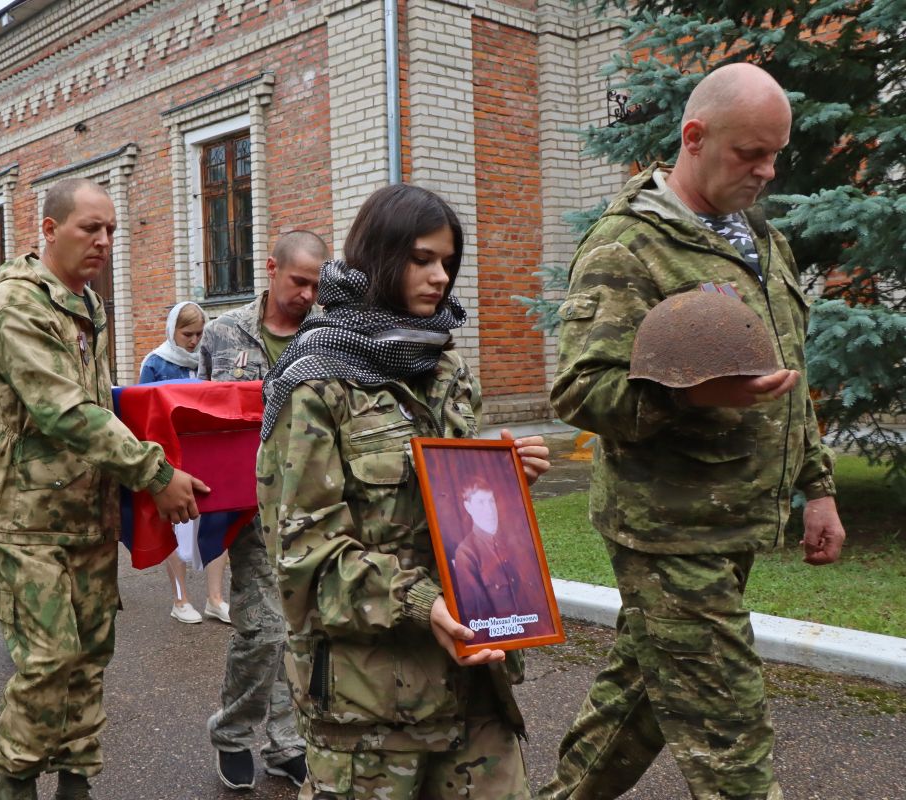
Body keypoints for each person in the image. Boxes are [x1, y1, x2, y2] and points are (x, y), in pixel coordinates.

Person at [538, 63, 845, 800]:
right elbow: (581, 390)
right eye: (751, 154)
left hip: (735, 524)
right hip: (669, 534)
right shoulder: (628, 246)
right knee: (731, 747)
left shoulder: (760, 243)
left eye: (776, 154)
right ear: (694, 137)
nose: (767, 172)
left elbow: (789, 374)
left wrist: (818, 487)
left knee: (635, 707)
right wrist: (689, 395)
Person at [257, 183, 551, 799]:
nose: (440, 277)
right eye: (422, 260)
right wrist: (423, 606)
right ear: (377, 258)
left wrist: (498, 483)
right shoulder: (318, 382)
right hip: (371, 709)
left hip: (474, 684)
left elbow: (445, 506)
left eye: (448, 262)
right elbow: (303, 560)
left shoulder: (444, 366)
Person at [0, 177, 207, 800]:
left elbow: (100, 403)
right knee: (49, 659)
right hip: (26, 514)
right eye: (89, 228)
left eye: (111, 231)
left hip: (85, 508)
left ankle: (76, 782)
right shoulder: (17, 303)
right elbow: (63, 410)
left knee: (91, 653)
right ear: (49, 230)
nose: (103, 241)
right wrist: (155, 472)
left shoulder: (88, 303)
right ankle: (14, 784)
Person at [198, 229, 328, 791]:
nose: (306, 294)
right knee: (263, 631)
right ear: (271, 268)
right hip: (249, 510)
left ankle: (286, 743)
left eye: (316, 286)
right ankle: (231, 732)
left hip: (313, 507)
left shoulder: (328, 335)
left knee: (302, 632)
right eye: (298, 281)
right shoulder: (223, 333)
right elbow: (201, 416)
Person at [138, 301, 229, 625]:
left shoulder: (208, 358)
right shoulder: (156, 363)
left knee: (218, 522)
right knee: (176, 525)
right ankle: (180, 599)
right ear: (172, 330)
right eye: (187, 333)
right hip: (172, 457)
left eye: (199, 333)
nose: (193, 340)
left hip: (207, 453)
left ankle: (216, 599)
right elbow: (145, 413)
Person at [450, 478, 555, 645]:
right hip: (497, 642)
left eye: (491, 501)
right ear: (468, 507)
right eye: (481, 502)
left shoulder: (515, 542)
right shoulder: (467, 554)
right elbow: (477, 620)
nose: (490, 509)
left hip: (528, 633)